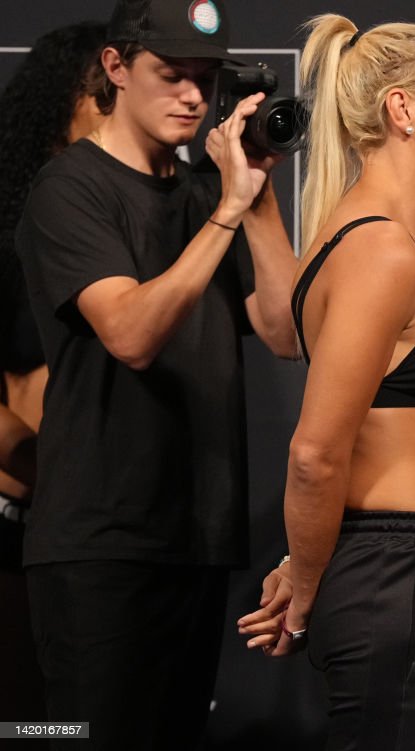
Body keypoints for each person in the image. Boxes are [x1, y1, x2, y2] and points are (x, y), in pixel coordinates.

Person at [14, 0, 298, 746]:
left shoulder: (211, 194)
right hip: (99, 544)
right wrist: (226, 213)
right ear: (116, 67)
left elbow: (285, 332)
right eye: (172, 75)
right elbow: (132, 334)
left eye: (206, 78)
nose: (194, 97)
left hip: (197, 538)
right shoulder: (70, 188)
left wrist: (258, 196)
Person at [236, 14, 415, 750]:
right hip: (392, 574)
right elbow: (316, 452)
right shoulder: (379, 247)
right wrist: (306, 577)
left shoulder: (393, 234)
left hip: (411, 569)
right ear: (401, 108)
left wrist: (302, 559)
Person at [0, 20, 107, 723]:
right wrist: (47, 467)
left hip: (102, 537)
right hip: (18, 528)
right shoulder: (8, 239)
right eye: (102, 94)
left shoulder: (138, 225)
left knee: (86, 725)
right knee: (28, 722)